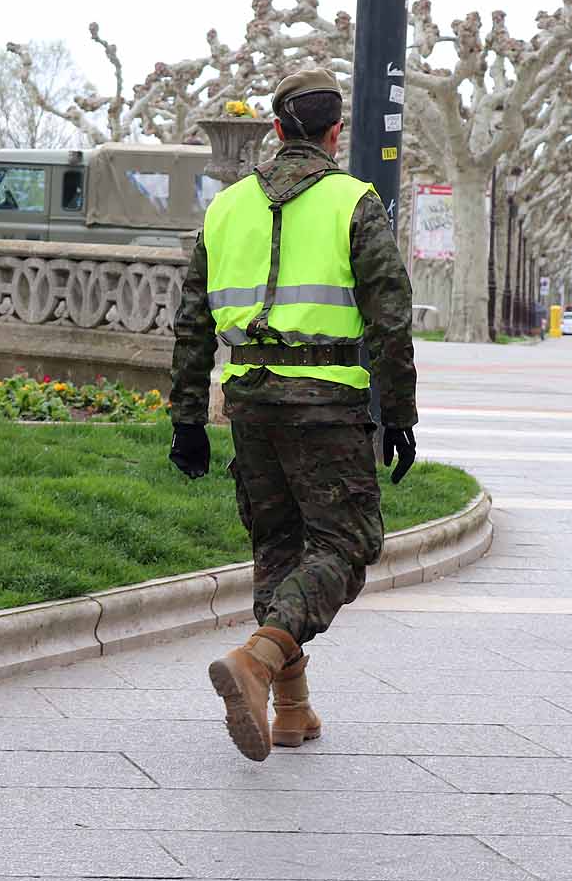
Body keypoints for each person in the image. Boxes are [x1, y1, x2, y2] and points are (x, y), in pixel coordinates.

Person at [166, 68, 418, 761]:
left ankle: (292, 711)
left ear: (277, 131)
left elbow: (191, 322)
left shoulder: (225, 209)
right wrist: (398, 412)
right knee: (348, 542)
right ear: (334, 133)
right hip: (328, 405)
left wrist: (187, 418)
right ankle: (257, 658)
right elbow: (390, 320)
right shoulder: (354, 201)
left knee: (277, 549)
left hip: (249, 402)